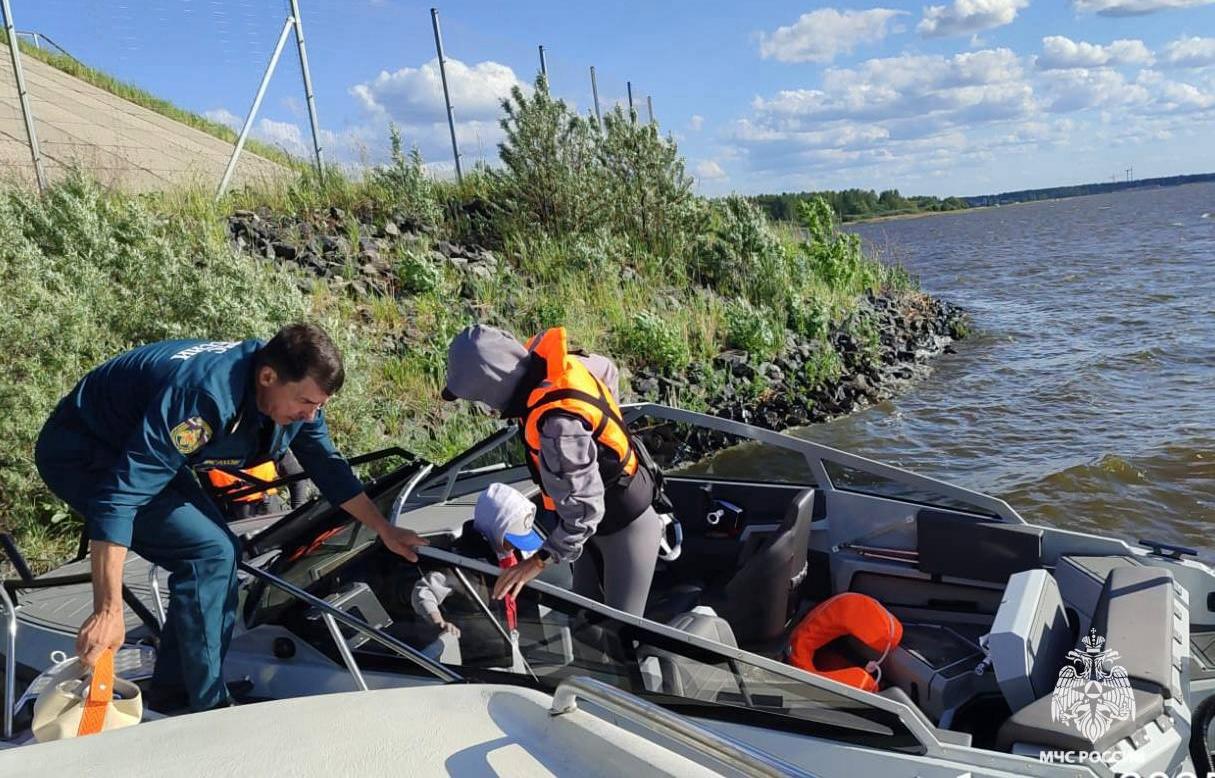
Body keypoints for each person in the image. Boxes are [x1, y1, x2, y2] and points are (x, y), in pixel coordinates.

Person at [34, 324, 427, 711]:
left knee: (222, 552)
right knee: (209, 554)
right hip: (86, 452)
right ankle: (207, 707)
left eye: (318, 407)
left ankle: (176, 691)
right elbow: (118, 500)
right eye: (306, 403)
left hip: (143, 449)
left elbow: (328, 467)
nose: (310, 417)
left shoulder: (294, 396)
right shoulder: (204, 397)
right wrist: (108, 611)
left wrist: (384, 529)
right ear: (268, 376)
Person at [441, 324, 663, 616]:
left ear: (492, 387)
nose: (484, 406)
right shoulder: (555, 367)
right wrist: (602, 433)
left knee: (619, 635)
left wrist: (536, 562)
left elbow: (585, 509)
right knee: (583, 619)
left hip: (624, 527)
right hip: (586, 530)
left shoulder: (559, 428)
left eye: (480, 397)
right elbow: (607, 369)